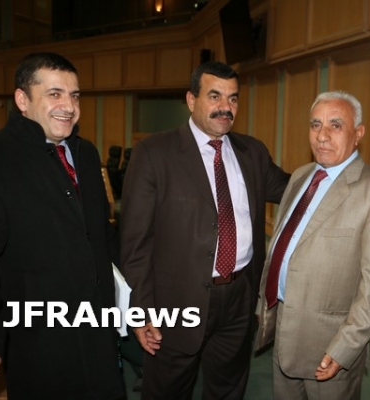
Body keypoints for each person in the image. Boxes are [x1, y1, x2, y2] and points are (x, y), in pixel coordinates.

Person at [120, 61, 289, 399]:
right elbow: (135, 243)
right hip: (175, 302)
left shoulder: (252, 152)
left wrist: (337, 169)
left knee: (228, 390)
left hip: (239, 297)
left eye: (233, 98)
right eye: (215, 96)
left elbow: (293, 190)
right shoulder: (154, 153)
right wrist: (140, 310)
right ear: (191, 99)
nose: (226, 107)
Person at [0, 53, 125, 399]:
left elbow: (103, 237)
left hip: (98, 329)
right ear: (22, 99)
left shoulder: (86, 153)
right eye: (54, 94)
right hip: (39, 341)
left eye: (75, 95)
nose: (69, 106)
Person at [256, 91, 370, 399]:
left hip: (329, 345)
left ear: (358, 133)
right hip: (284, 330)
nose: (322, 135)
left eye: (335, 125)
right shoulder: (301, 176)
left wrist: (344, 348)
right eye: (315, 124)